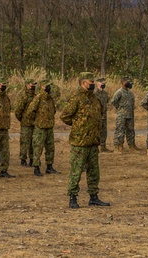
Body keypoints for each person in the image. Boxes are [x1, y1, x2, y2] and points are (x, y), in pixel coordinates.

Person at [60, 72, 111, 209]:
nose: (93, 84)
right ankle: (73, 197)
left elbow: (99, 113)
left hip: (93, 141)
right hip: (80, 142)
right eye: (90, 82)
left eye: (93, 82)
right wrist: (78, 126)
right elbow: (65, 116)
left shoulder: (94, 99)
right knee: (76, 170)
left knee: (94, 171)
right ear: (83, 83)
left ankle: (93, 196)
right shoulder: (76, 98)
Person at [25, 80, 58, 176]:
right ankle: (36, 167)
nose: (49, 88)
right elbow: (30, 111)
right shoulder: (38, 97)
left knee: (50, 148)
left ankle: (49, 166)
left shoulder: (50, 98)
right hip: (40, 128)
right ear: (43, 86)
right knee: (37, 148)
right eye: (47, 86)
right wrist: (37, 120)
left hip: (49, 127)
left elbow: (53, 110)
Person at [14, 79, 37, 167]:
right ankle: (23, 159)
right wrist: (23, 119)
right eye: (32, 84)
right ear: (27, 85)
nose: (33, 86)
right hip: (25, 124)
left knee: (33, 143)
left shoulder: (36, 96)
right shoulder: (24, 97)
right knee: (24, 142)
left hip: (34, 123)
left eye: (34, 85)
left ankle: (32, 159)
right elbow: (18, 111)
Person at [110, 78, 136, 151]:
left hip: (130, 114)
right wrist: (120, 108)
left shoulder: (130, 93)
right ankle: (118, 146)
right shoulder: (119, 92)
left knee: (130, 130)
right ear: (123, 83)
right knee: (120, 130)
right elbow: (113, 101)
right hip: (122, 115)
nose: (130, 84)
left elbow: (132, 103)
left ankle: (131, 145)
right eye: (128, 82)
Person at [94, 78, 111, 152]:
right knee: (96, 131)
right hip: (97, 115)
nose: (104, 85)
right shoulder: (94, 93)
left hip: (104, 115)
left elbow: (107, 101)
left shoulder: (105, 93)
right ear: (97, 84)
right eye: (102, 83)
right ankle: (95, 147)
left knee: (104, 131)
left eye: (104, 83)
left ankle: (103, 146)